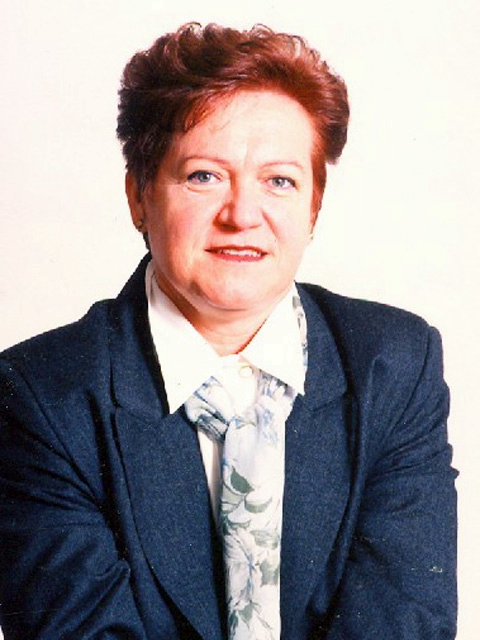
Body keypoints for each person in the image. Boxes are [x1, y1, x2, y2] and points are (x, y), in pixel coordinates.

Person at [0, 22, 457, 640]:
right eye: (203, 176)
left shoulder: (394, 366)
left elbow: (403, 622)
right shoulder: (41, 395)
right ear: (138, 196)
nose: (243, 215)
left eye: (280, 181)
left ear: (313, 208)